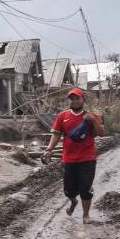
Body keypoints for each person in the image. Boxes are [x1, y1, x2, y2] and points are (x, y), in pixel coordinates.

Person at [45, 87, 105, 223]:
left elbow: (102, 133)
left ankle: (86, 215)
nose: (74, 101)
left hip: (87, 158)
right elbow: (56, 134)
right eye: (72, 99)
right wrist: (49, 149)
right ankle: (73, 201)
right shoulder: (63, 116)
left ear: (83, 99)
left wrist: (93, 121)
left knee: (86, 189)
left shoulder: (91, 116)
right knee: (68, 190)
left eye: (77, 98)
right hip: (69, 159)